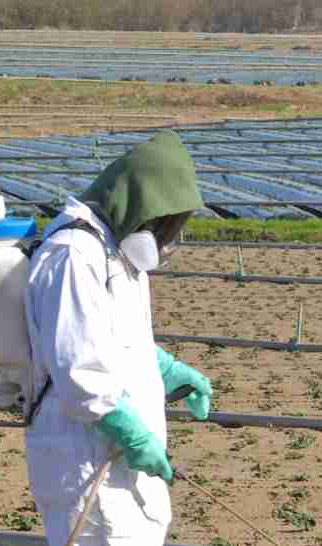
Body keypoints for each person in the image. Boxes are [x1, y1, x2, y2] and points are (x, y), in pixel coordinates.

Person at [22, 130, 215, 546]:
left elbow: (115, 339)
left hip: (116, 462)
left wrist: (166, 369)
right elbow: (79, 369)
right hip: (85, 460)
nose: (167, 239)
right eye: (166, 225)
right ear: (140, 209)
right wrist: (131, 432)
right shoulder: (74, 253)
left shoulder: (116, 253)